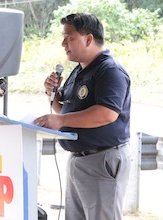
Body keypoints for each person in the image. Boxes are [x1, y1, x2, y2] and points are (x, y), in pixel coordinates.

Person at [34, 13, 131, 220]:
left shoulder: (109, 70)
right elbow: (65, 110)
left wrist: (61, 121)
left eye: (69, 37)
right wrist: (53, 95)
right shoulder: (79, 70)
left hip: (101, 159)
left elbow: (107, 113)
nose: (63, 43)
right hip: (79, 160)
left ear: (88, 39)